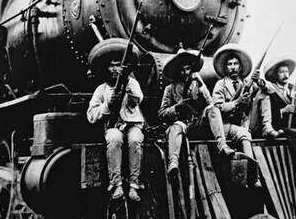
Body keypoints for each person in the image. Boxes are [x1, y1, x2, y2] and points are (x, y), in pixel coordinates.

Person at [158, 48, 235, 180]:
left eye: (188, 69)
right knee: (177, 126)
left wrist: (201, 84)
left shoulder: (197, 85)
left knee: (213, 109)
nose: (185, 72)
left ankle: (222, 144)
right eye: (182, 70)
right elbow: (162, 113)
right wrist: (177, 107)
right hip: (180, 125)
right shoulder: (170, 89)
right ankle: (173, 163)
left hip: (197, 124)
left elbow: (211, 104)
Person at [86, 38, 144, 202]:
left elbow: (138, 98)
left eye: (118, 65)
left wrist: (126, 86)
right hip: (114, 127)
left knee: (135, 140)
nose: (114, 69)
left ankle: (134, 185)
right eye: (111, 65)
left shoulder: (131, 82)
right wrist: (106, 106)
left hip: (133, 125)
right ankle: (116, 184)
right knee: (113, 138)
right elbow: (91, 114)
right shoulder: (102, 89)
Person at [259, 57, 296, 182]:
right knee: (294, 133)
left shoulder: (292, 89)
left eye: (287, 72)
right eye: (281, 72)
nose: (285, 75)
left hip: (293, 126)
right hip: (278, 127)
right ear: (275, 75)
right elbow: (266, 112)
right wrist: (284, 110)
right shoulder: (271, 89)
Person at [211, 43, 269, 164]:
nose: (233, 67)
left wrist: (258, 80)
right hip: (225, 126)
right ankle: (252, 169)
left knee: (264, 96)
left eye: (236, 64)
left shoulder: (248, 83)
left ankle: (267, 128)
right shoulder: (220, 85)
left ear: (240, 67)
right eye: (229, 64)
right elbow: (217, 108)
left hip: (245, 124)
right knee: (243, 133)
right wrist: (237, 102)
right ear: (226, 68)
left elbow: (267, 91)